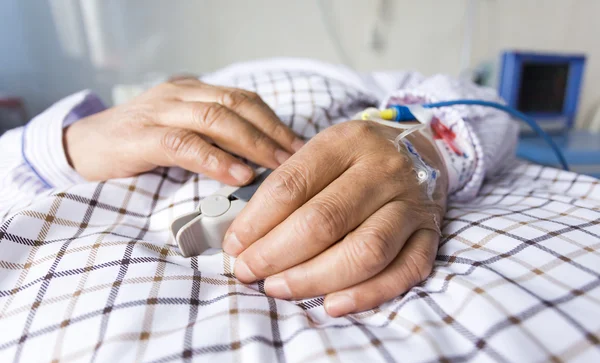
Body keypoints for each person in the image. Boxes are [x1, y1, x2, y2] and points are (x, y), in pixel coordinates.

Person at [0, 58, 517, 317]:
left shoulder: (331, 78)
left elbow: (489, 111)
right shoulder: (73, 137)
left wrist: (417, 147)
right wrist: (64, 142)